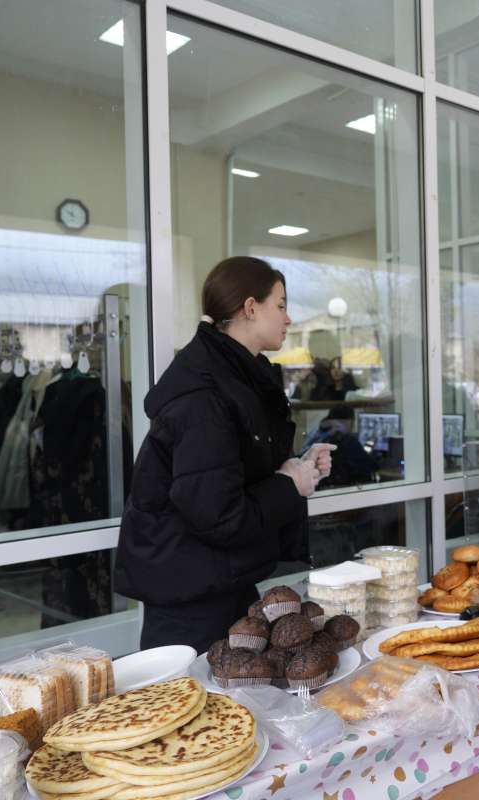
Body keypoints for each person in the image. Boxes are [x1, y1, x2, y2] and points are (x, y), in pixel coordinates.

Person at [115, 256, 332, 653]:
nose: (288, 318)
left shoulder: (234, 376)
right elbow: (216, 512)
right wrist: (288, 486)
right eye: (280, 305)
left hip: (221, 579)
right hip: (190, 598)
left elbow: (231, 473)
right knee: (194, 694)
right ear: (250, 308)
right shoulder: (205, 393)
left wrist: (294, 468)